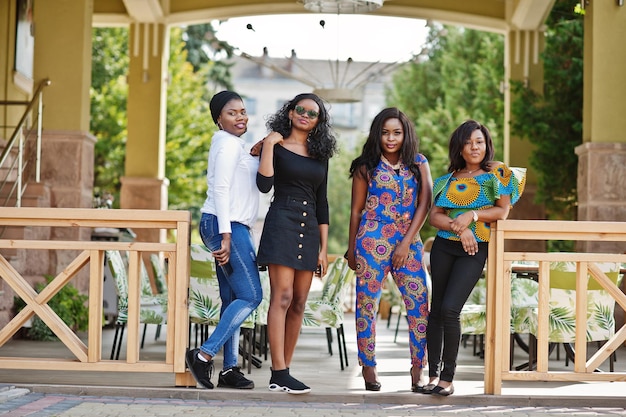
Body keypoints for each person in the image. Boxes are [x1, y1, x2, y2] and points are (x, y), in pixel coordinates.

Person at [424, 120, 526, 396]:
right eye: (468, 142)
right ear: (459, 146)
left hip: (474, 249)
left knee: (450, 310)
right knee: (435, 311)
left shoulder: (498, 174)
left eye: (479, 141)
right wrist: (461, 227)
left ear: (486, 144)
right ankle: (432, 375)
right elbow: (435, 216)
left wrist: (473, 216)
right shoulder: (449, 179)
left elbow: (502, 212)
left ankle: (447, 378)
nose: (474, 147)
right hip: (445, 247)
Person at [346, 107, 433, 393]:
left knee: (419, 304)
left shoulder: (418, 163)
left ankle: (418, 368)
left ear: (405, 134)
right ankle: (368, 366)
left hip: (409, 240)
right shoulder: (365, 166)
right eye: (385, 133)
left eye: (396, 132)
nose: (391, 138)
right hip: (371, 239)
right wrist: (350, 248)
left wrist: (407, 242)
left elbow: (425, 203)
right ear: (377, 135)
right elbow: (356, 211)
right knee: (366, 304)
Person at [255, 93, 337, 394]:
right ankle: (279, 370)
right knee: (283, 296)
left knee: (300, 302)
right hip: (281, 222)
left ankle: (284, 373)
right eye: (300, 110)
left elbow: (323, 201)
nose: (305, 115)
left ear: (318, 122)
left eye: (312, 113)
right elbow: (264, 185)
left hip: (310, 228)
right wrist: (267, 145)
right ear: (290, 113)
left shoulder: (320, 155)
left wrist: (323, 249)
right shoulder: (275, 146)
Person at [185, 91, 263, 390]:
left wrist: (256, 150)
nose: (241, 116)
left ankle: (229, 369)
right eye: (232, 113)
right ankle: (203, 355)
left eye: (243, 111)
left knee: (232, 298)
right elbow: (221, 189)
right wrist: (227, 234)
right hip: (224, 225)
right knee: (252, 295)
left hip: (225, 224)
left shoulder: (235, 145)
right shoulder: (227, 144)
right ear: (219, 119)